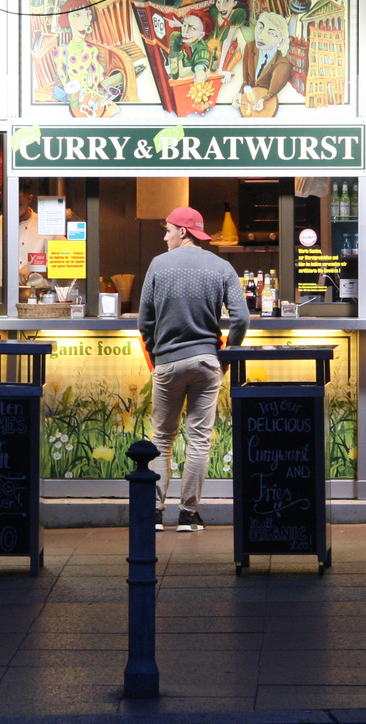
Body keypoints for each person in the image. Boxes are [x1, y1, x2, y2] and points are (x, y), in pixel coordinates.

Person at [139, 206, 249, 531]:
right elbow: (241, 318)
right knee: (199, 439)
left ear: (182, 232)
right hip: (206, 362)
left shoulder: (158, 265)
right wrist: (228, 355)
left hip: (168, 363)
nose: (165, 236)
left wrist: (156, 351)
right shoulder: (222, 266)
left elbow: (144, 320)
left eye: (168, 230)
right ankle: (188, 515)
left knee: (161, 438)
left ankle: (155, 512)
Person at [0, 191, 47, 302]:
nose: (15, 210)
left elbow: (64, 265)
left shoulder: (47, 226)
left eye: (19, 204)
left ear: (29, 199)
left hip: (39, 303)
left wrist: (33, 267)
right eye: (10, 204)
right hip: (0, 303)